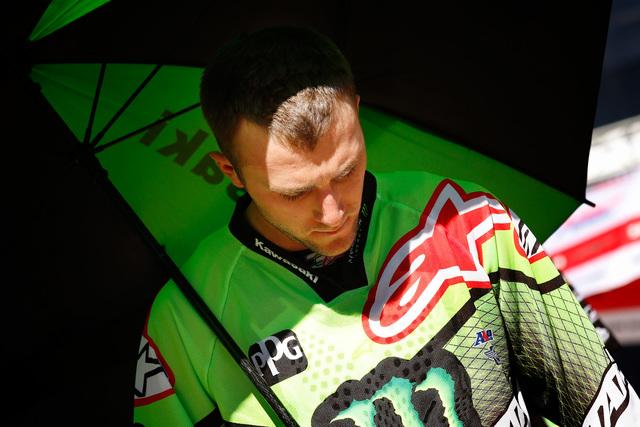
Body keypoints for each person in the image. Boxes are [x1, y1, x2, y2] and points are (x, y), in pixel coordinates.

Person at [133, 26, 639, 426]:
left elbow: (604, 407)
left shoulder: (465, 220)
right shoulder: (187, 321)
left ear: (357, 114)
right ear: (231, 172)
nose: (332, 212)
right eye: (295, 193)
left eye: (347, 170)